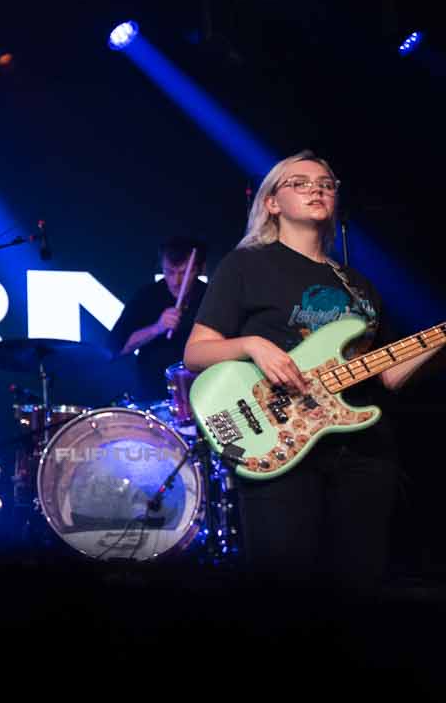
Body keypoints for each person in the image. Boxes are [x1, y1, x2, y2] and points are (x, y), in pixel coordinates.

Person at [184, 150, 442, 589]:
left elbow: (387, 375)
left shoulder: (358, 285)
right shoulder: (246, 265)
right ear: (272, 202)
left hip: (363, 451)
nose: (316, 190)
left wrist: (437, 343)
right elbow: (195, 353)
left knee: (359, 584)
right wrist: (253, 346)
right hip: (279, 441)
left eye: (325, 184)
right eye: (300, 183)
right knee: (286, 586)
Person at [110, 236, 207, 400]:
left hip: (203, 393)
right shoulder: (146, 296)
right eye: (169, 272)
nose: (176, 281)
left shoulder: (211, 297)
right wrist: (157, 327)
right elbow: (118, 348)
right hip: (153, 395)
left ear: (199, 269)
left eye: (184, 273)